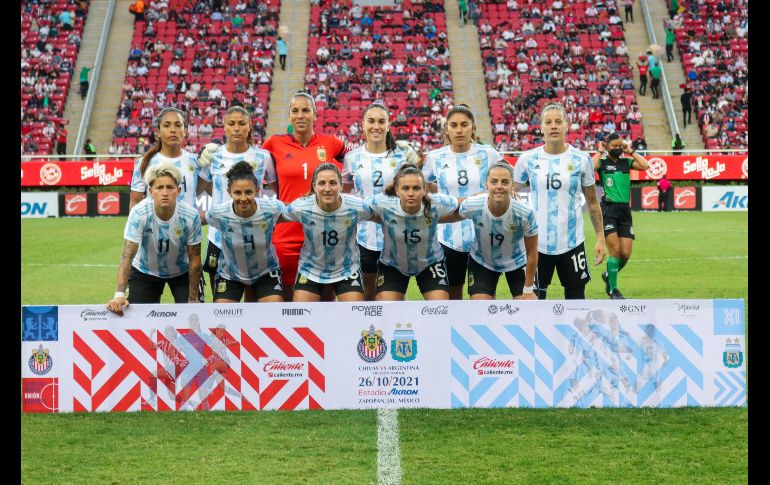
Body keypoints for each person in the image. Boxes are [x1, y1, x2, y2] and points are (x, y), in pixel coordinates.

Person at [512, 103, 607, 300]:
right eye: (548, 122)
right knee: (534, 302)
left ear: (567, 125)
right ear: (541, 128)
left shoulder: (581, 159)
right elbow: (508, 191)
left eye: (558, 122)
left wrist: (600, 238)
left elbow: (592, 202)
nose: (553, 126)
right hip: (536, 243)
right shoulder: (527, 159)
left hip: (572, 242)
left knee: (576, 302)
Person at [422, 104, 503, 300]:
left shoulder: (488, 154)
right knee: (453, 300)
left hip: (483, 236)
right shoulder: (435, 157)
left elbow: (505, 181)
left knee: (482, 300)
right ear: (446, 130)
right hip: (448, 240)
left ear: (473, 127)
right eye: (454, 125)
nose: (459, 130)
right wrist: (437, 191)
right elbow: (423, 186)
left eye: (464, 124)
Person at [342, 102, 419, 300]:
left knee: (392, 300)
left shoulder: (402, 156)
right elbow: (345, 195)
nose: (376, 126)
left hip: (395, 238)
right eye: (371, 121)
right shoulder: (351, 158)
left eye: (381, 121)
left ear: (388, 125)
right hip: (363, 237)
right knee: (368, 296)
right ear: (363, 124)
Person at [197, 105, 275, 299]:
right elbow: (202, 188)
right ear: (224, 126)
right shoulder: (213, 156)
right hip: (219, 238)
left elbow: (275, 189)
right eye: (231, 124)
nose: (237, 128)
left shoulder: (263, 157)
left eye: (242, 123)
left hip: (253, 237)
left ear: (250, 126)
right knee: (222, 300)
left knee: (253, 299)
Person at [106, 162, 202, 315]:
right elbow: (127, 256)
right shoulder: (139, 213)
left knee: (194, 315)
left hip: (181, 271)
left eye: (170, 187)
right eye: (159, 188)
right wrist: (119, 296)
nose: (165, 192)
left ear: (178, 190)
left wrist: (193, 298)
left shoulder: (190, 216)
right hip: (145, 270)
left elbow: (195, 259)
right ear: (150, 191)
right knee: (136, 318)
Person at [365, 164, 459, 301]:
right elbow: (356, 207)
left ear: (424, 190)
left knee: (441, 309)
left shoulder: (437, 202)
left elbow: (463, 205)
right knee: (387, 310)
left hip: (430, 263)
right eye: (405, 188)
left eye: (416, 188)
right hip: (393, 264)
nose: (410, 193)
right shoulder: (383, 202)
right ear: (397, 190)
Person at [281, 163, 374, 302]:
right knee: (301, 316)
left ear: (341, 186)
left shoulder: (357, 207)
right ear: (314, 186)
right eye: (322, 183)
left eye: (333, 183)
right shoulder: (301, 207)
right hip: (310, 270)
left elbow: (382, 217)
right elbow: (274, 218)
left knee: (354, 318)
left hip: (347, 270)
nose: (327, 189)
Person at [451, 162, 539, 300]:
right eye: (494, 182)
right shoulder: (472, 204)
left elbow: (532, 253)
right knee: (482, 311)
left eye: (505, 182)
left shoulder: (525, 212)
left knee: (527, 309)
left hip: (518, 261)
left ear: (512, 186)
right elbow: (449, 216)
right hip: (483, 261)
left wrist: (528, 289)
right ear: (486, 185)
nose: (499, 187)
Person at [205, 161, 284, 303]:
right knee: (222, 319)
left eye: (248, 192)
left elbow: (293, 211)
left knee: (273, 311)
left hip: (266, 271)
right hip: (230, 274)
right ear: (229, 192)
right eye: (237, 193)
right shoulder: (218, 213)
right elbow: (203, 220)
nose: (243, 198)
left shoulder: (272, 208)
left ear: (257, 189)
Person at [592, 133, 650, 299]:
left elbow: (645, 166)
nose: (617, 149)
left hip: (624, 211)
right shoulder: (603, 163)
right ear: (607, 146)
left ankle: (609, 274)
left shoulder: (627, 162)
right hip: (608, 210)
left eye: (619, 146)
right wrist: (599, 152)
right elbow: (590, 168)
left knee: (626, 253)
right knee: (615, 252)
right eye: (614, 146)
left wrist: (631, 151)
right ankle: (613, 290)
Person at [129, 108, 201, 213]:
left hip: (189, 229)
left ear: (185, 131)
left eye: (178, 125)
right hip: (155, 229)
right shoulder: (144, 163)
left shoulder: (196, 161)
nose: (173, 130)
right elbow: (135, 204)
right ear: (158, 132)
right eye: (167, 125)